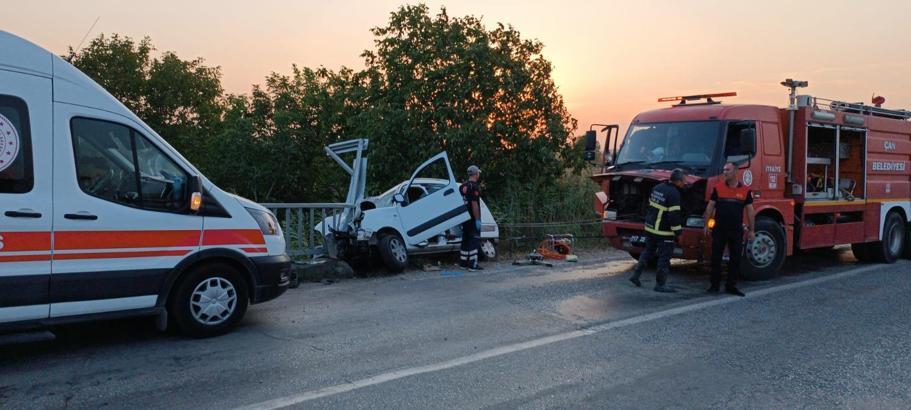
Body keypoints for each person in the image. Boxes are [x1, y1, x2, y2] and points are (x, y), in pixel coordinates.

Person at [629, 168, 686, 293]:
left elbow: (650, 206)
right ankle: (660, 284)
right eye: (683, 181)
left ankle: (635, 276)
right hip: (663, 232)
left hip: (650, 228)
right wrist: (679, 233)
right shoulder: (674, 194)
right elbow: (674, 216)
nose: (684, 184)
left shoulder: (658, 187)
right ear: (678, 181)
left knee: (648, 251)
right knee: (664, 257)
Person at [703, 162, 755, 297]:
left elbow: (750, 211)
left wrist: (752, 230)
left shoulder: (745, 191)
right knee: (716, 258)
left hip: (736, 230)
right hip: (719, 229)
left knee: (735, 258)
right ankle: (714, 286)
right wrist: (707, 225)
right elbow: (710, 207)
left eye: (728, 170)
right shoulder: (718, 188)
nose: (725, 172)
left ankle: (731, 286)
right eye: (724, 170)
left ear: (736, 171)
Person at [459, 165, 483, 271]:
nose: (479, 174)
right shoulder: (474, 187)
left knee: (465, 239)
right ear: (476, 174)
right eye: (478, 173)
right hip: (472, 218)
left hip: (464, 217)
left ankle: (463, 263)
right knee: (474, 240)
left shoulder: (462, 186)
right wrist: (477, 219)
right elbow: (474, 204)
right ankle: (473, 264)